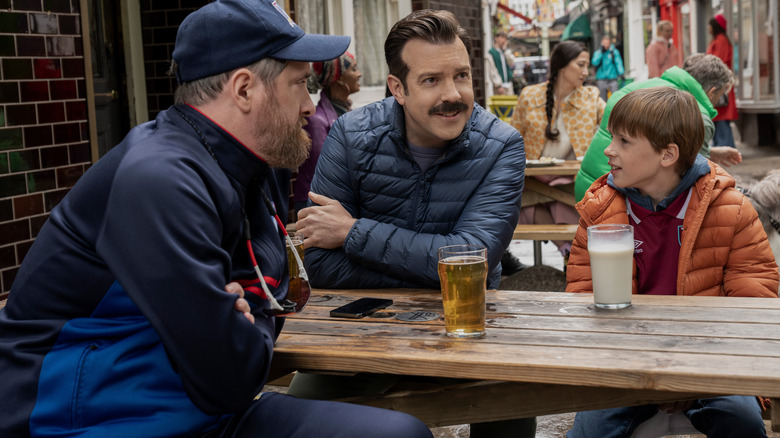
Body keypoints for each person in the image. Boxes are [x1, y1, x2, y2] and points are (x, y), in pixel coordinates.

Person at [0, 1, 434, 437]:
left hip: (194, 413)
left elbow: (265, 306)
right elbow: (230, 374)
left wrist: (249, 307)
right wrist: (254, 306)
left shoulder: (244, 168)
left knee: (400, 433)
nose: (309, 104)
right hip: (91, 421)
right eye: (300, 83)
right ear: (245, 89)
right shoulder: (158, 178)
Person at [290, 9, 533, 438]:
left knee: (518, 399)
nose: (453, 94)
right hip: (362, 331)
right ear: (397, 88)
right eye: (431, 80)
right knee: (297, 416)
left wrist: (352, 233)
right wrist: (436, 268)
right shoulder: (351, 134)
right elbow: (320, 265)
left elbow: (472, 260)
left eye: (461, 76)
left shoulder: (502, 147)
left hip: (469, 331)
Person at [565, 87, 778, 438]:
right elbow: (583, 298)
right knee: (588, 432)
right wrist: (648, 372)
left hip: (713, 366)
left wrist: (688, 375)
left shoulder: (733, 210)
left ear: (668, 155)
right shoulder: (600, 211)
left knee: (742, 422)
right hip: (623, 364)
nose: (608, 149)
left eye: (624, 141)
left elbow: (754, 307)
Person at [575, 53, 743, 201]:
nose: (608, 150)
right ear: (712, 92)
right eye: (720, 97)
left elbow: (651, 145)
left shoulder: (643, 86)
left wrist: (710, 152)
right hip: (620, 197)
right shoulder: (698, 116)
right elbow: (695, 182)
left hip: (590, 186)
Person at [511, 40, 605, 260]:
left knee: (554, 196)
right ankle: (571, 251)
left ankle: (569, 252)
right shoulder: (529, 95)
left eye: (586, 66)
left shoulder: (590, 96)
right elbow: (512, 138)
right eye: (580, 65)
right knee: (532, 197)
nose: (585, 71)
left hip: (570, 179)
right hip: (532, 177)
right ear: (562, 65)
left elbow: (616, 119)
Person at [293, 52, 362, 217]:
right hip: (315, 204)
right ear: (337, 79)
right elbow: (327, 169)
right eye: (353, 69)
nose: (359, 74)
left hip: (337, 201)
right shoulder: (316, 121)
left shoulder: (347, 113)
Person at [707, 13, 738, 148]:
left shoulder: (720, 41)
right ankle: (723, 145)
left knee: (720, 117)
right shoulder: (720, 39)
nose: (708, 28)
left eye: (710, 25)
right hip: (719, 83)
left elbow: (717, 61)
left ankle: (724, 146)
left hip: (719, 84)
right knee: (719, 118)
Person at [592, 34, 625, 101]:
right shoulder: (598, 52)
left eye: (607, 42)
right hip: (601, 78)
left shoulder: (614, 52)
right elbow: (594, 62)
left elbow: (618, 62)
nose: (606, 44)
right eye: (604, 42)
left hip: (612, 78)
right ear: (602, 43)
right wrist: (601, 52)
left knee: (615, 97)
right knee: (602, 98)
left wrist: (621, 73)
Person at [488, 31, 515, 95]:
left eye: (505, 38)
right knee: (501, 104)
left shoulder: (504, 52)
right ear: (496, 38)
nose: (504, 40)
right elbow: (492, 70)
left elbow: (511, 63)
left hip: (509, 84)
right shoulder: (492, 52)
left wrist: (505, 50)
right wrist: (498, 85)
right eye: (502, 37)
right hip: (500, 87)